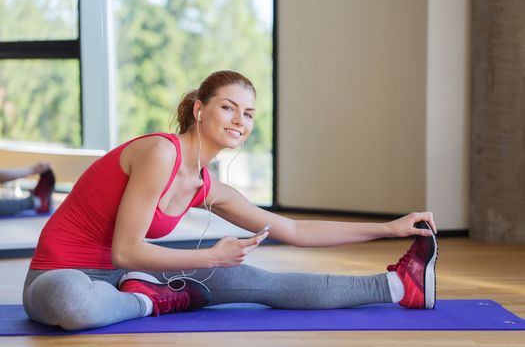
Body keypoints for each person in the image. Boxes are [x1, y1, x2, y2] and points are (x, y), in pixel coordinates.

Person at [23, 70, 438, 331]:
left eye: (250, 113)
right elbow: (126, 251)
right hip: (62, 275)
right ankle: (149, 300)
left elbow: (295, 229)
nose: (240, 120)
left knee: (259, 281)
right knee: (72, 303)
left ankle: (398, 286)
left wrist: (390, 228)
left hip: (132, 275)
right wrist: (209, 259)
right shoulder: (160, 153)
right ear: (200, 109)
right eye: (229, 107)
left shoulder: (208, 186)